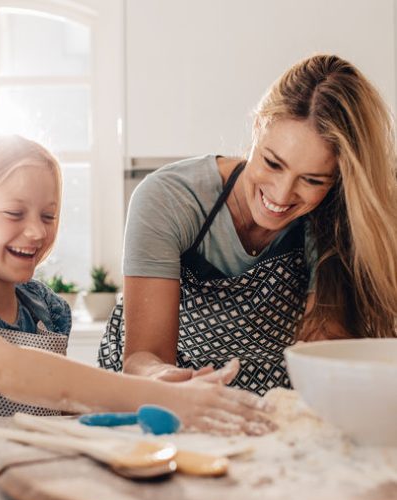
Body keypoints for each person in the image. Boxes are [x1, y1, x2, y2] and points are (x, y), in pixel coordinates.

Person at [0, 131, 273, 435]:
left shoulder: (44, 312)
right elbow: (3, 367)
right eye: (14, 213)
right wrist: (155, 396)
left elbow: (62, 410)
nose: (36, 231)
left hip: (25, 481)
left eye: (48, 215)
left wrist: (148, 402)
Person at [98, 54, 397, 395]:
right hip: (153, 394)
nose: (282, 195)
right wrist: (168, 383)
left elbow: (323, 352)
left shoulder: (334, 221)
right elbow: (143, 356)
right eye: (272, 163)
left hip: (267, 396)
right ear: (257, 126)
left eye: (312, 180)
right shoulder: (170, 199)